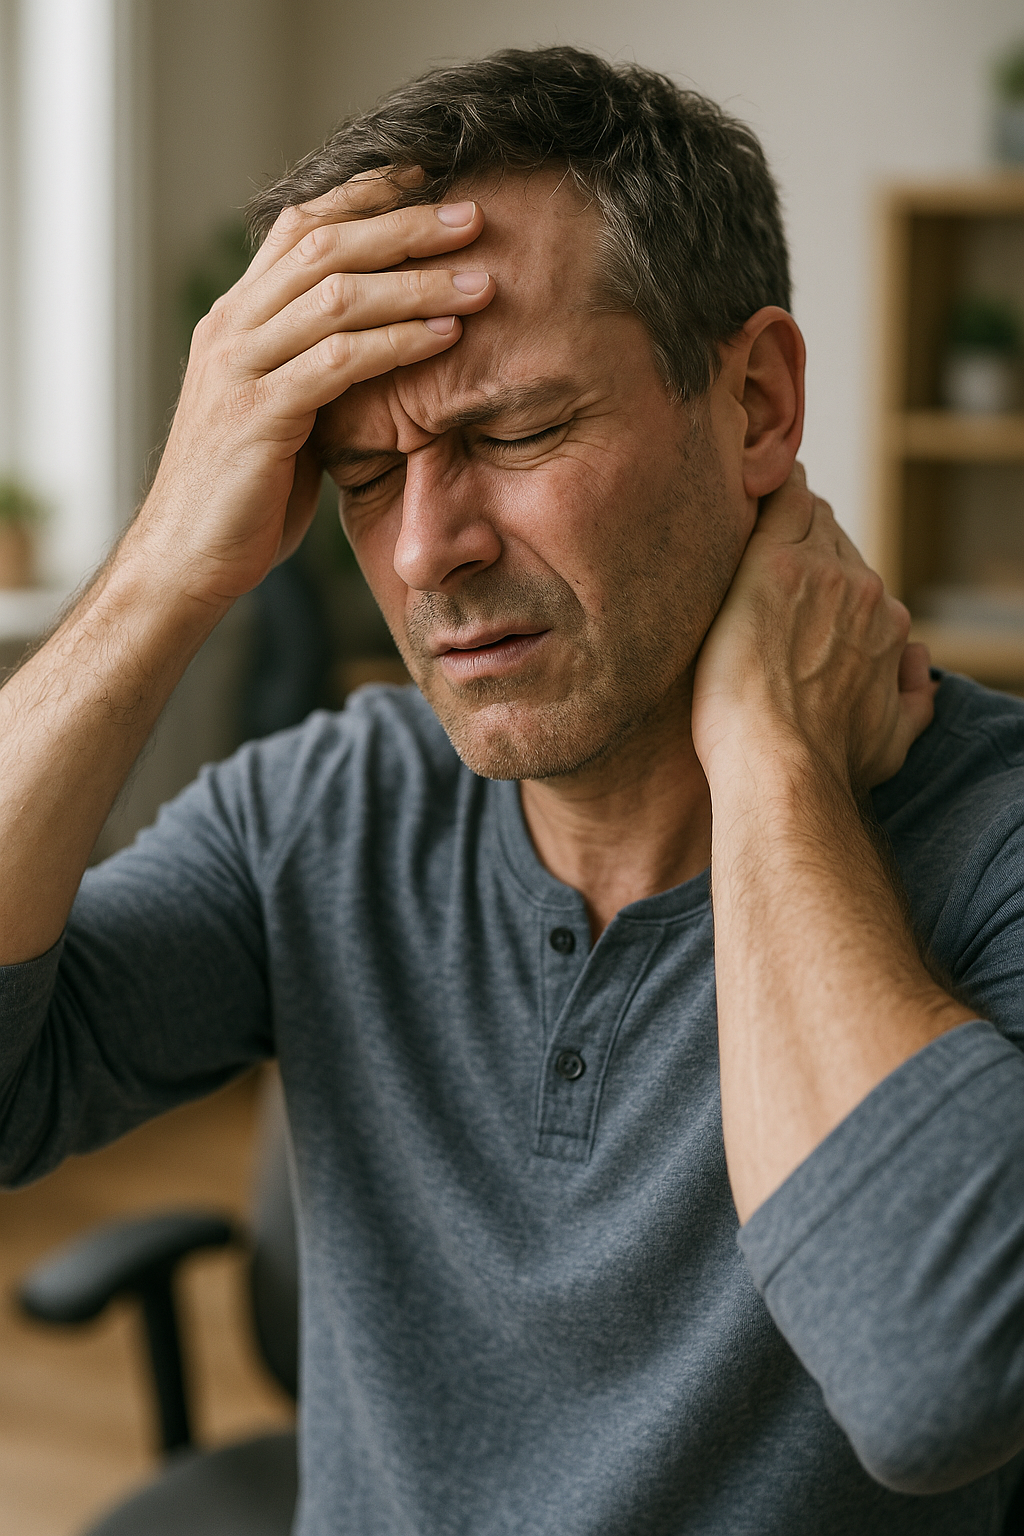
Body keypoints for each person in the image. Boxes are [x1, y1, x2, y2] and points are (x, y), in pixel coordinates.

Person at [2, 44, 1023, 1534]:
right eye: (362, 475)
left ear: (754, 404)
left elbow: (936, 1376)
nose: (424, 552)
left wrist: (769, 760)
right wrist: (169, 559)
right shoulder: (327, 809)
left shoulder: (992, 842)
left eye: (516, 432)